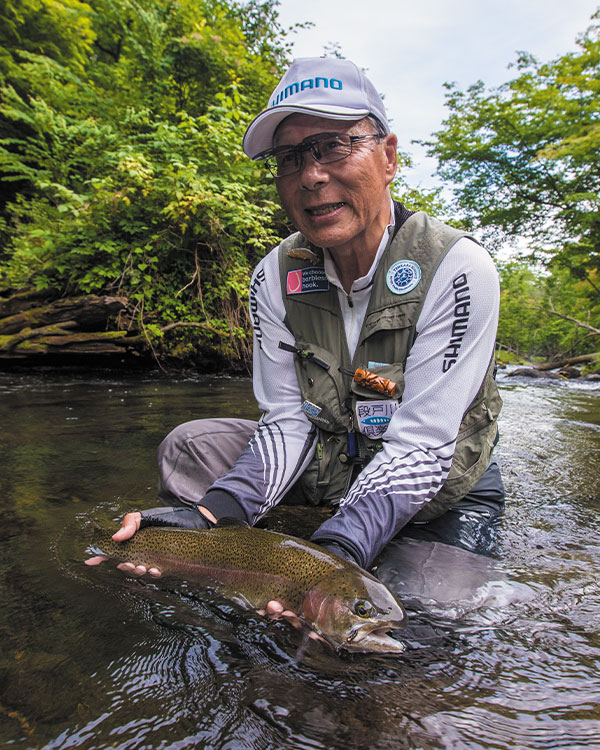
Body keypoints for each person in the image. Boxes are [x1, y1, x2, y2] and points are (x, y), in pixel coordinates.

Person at [88, 57, 504, 585]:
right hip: (330, 458)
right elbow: (287, 419)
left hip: (435, 487)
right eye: (290, 157)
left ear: (389, 156)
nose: (310, 175)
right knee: (190, 445)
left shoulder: (457, 267)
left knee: (426, 621)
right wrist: (211, 516)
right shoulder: (274, 275)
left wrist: (332, 557)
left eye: (332, 146)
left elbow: (423, 446)